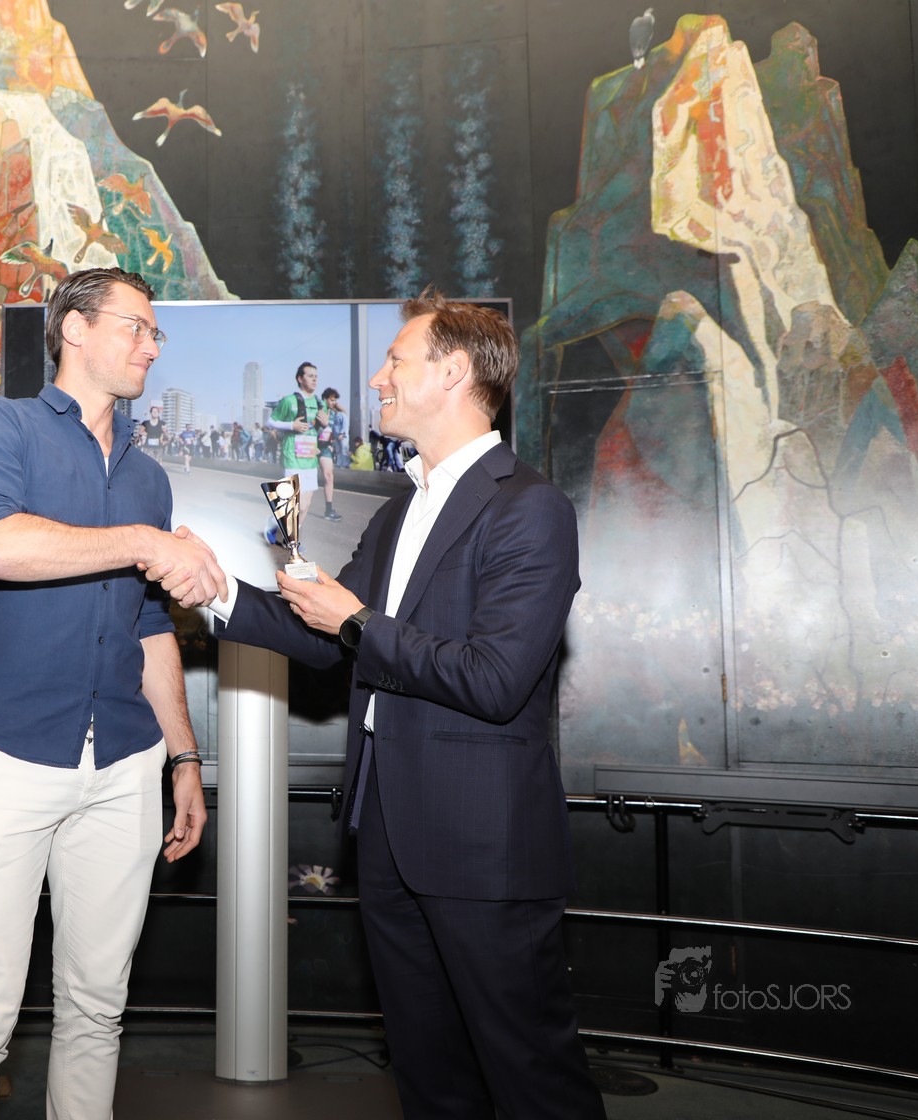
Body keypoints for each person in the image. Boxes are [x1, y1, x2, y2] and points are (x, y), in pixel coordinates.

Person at [167, 291, 604, 1118]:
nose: (377, 379)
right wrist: (218, 591)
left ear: (454, 372)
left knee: (531, 1079)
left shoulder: (530, 507)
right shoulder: (403, 507)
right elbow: (328, 639)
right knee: (430, 1080)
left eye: (395, 361)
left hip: (482, 850)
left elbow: (494, 678)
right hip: (387, 836)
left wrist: (357, 621)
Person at [0, 266, 222, 1119]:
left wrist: (184, 759)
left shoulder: (149, 477)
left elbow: (149, 626)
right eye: (137, 327)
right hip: (11, 754)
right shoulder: (2, 425)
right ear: (75, 329)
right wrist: (142, 543)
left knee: (97, 1011)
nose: (152, 347)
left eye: (156, 333)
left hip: (126, 764)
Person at [266, 363, 331, 541]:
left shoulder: (320, 404)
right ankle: (279, 529)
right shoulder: (289, 401)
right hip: (291, 456)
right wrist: (291, 425)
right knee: (295, 503)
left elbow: (323, 430)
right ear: (300, 379)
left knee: (305, 505)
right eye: (310, 376)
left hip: (310, 458)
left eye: (316, 376)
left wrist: (326, 425)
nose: (314, 379)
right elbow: (270, 421)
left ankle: (290, 534)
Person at [317, 386, 347, 520]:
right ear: (325, 399)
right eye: (331, 400)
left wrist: (330, 444)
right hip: (312, 447)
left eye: (335, 400)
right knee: (305, 479)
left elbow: (344, 416)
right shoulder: (318, 411)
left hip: (325, 448)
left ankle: (328, 510)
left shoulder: (334, 414)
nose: (334, 402)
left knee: (329, 477)